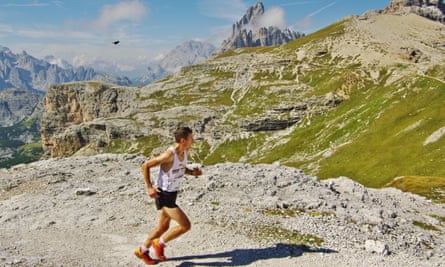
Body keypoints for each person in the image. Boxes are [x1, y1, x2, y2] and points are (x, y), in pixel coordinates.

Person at [134, 126, 202, 265]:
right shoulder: (169, 155)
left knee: (162, 228)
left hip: (172, 194)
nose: (193, 140)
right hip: (164, 195)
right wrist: (149, 187)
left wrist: (191, 173)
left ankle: (142, 250)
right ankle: (159, 243)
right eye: (191, 138)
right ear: (183, 140)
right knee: (185, 225)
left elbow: (180, 169)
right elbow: (145, 166)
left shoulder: (184, 152)